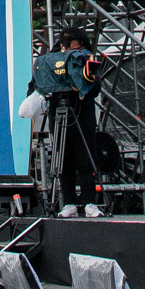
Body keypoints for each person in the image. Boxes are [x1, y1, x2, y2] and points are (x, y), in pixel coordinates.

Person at [25, 26, 105, 217]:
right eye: (74, 48)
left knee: (86, 159)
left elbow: (95, 89)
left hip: (83, 117)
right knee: (63, 161)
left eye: (80, 47)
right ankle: (68, 203)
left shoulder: (85, 60)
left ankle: (89, 203)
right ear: (63, 46)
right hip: (58, 117)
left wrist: (85, 81)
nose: (77, 52)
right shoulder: (49, 62)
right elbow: (35, 86)